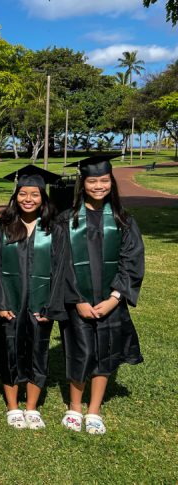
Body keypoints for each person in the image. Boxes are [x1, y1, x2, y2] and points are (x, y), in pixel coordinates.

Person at [59, 155, 144, 435]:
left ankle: (94, 410)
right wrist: (77, 300)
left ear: (111, 182)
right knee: (80, 351)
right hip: (77, 303)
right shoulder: (66, 221)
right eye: (92, 181)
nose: (98, 186)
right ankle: (74, 406)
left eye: (104, 180)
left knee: (105, 353)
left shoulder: (122, 220)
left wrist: (114, 298)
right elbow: (61, 264)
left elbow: (131, 260)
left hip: (111, 301)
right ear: (82, 183)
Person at [0, 165, 69, 430]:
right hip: (10, 306)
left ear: (43, 198)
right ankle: (13, 407)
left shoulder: (54, 230)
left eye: (34, 194)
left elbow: (60, 271)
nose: (28, 199)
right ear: (15, 197)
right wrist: (0, 303)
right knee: (9, 350)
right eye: (23, 194)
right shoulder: (2, 229)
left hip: (40, 305)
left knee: (38, 351)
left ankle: (32, 408)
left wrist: (51, 307)